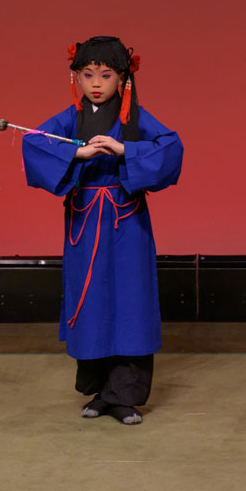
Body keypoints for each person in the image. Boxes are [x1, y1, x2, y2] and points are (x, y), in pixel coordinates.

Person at [22, 36, 184, 425]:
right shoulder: (70, 118)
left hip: (126, 221)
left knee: (129, 302)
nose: (96, 83)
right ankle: (100, 391)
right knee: (91, 300)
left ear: (123, 79)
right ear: (75, 76)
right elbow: (34, 142)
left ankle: (124, 395)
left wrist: (124, 149)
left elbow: (171, 147)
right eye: (88, 74)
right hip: (85, 220)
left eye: (106, 75)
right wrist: (77, 152)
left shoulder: (133, 120)